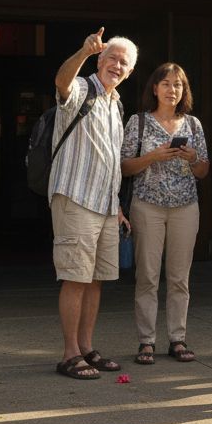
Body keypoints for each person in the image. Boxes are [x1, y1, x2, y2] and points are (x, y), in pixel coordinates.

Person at [50, 27, 137, 380]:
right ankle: (69, 354)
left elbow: (110, 160)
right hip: (75, 197)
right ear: (100, 60)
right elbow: (61, 82)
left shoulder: (116, 104)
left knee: (96, 279)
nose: (117, 65)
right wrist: (83, 52)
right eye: (112, 58)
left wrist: (117, 206)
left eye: (124, 63)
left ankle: (86, 347)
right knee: (75, 277)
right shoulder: (83, 88)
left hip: (105, 205)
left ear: (130, 72)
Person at [121, 63, 210, 365]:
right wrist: (153, 156)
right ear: (155, 88)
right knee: (147, 276)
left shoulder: (193, 125)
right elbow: (124, 167)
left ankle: (177, 339)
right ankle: (146, 341)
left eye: (178, 85)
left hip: (186, 206)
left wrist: (193, 157)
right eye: (166, 84)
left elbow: (203, 171)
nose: (172, 90)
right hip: (147, 206)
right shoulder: (138, 122)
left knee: (179, 277)